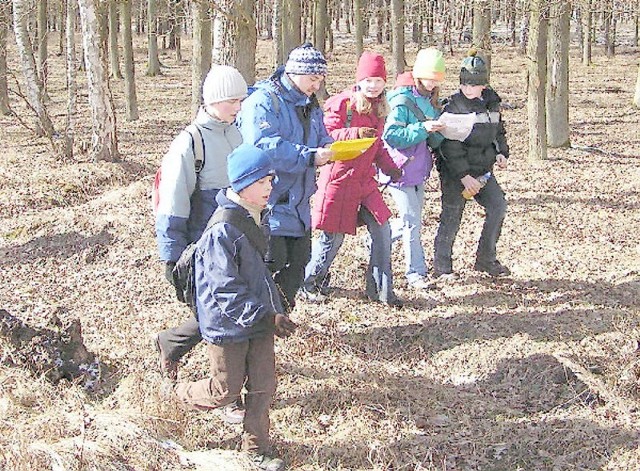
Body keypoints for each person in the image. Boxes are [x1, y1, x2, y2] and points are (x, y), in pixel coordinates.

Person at [174, 144, 296, 471]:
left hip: (257, 318)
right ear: (242, 184)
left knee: (263, 385)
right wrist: (266, 314)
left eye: (271, 180)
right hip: (227, 324)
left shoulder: (256, 215)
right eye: (262, 182)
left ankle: (255, 450)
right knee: (224, 390)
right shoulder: (223, 228)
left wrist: (273, 313)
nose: (269, 186)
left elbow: (256, 273)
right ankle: (176, 396)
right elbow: (223, 288)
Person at [154, 65, 247, 392]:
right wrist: (171, 255)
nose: (238, 108)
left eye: (241, 101)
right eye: (232, 101)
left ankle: (171, 343)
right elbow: (172, 202)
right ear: (213, 100)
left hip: (234, 242)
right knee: (220, 315)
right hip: (200, 247)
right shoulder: (189, 143)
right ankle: (226, 390)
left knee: (226, 310)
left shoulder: (237, 134)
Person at [302, 52, 404, 307]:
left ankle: (380, 290)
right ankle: (310, 283)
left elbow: (376, 145)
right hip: (339, 180)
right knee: (331, 238)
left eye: (378, 81)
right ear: (359, 80)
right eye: (369, 80)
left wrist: (392, 168)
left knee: (383, 230)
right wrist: (354, 132)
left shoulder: (381, 107)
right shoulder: (342, 104)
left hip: (365, 182)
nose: (373, 86)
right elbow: (324, 136)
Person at [237, 43, 334, 313]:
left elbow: (321, 135)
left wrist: (331, 148)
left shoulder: (310, 104)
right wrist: (309, 156)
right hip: (271, 205)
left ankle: (280, 321)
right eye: (313, 79)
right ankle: (260, 327)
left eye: (320, 79)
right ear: (295, 73)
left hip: (300, 207)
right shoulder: (264, 101)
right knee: (269, 268)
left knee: (297, 268)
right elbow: (264, 146)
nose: (317, 85)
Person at [433, 50, 510, 278]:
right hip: (455, 173)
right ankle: (442, 267)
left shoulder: (491, 104)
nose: (468, 89)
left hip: (483, 171)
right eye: (465, 84)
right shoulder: (453, 106)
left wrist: (501, 152)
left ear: (483, 85)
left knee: (498, 207)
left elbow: (498, 132)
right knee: (452, 216)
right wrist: (464, 176)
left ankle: (486, 259)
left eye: (473, 85)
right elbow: (449, 147)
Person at [381, 48, 446, 290]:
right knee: (412, 223)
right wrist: (424, 128)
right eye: (429, 78)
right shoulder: (401, 102)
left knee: (412, 220)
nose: (433, 83)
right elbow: (392, 135)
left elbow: (430, 139)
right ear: (418, 75)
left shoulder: (430, 101)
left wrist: (441, 131)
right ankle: (415, 273)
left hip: (419, 170)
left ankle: (376, 237)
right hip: (399, 170)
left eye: (437, 79)